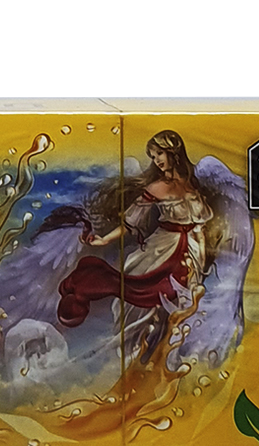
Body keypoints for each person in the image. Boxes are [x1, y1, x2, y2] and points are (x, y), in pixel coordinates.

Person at [56, 130, 212, 340]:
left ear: (173, 151)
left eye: (159, 154)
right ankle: (135, 340)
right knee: (139, 294)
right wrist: (105, 239)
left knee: (183, 301)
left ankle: (167, 341)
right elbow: (131, 222)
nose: (156, 161)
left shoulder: (192, 185)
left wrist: (202, 258)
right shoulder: (156, 187)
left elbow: (200, 228)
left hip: (192, 251)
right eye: (153, 157)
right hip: (162, 247)